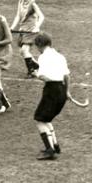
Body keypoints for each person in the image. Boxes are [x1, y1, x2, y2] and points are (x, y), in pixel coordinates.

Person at [33, 32, 69, 160]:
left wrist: (36, 74)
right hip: (62, 89)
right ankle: (55, 144)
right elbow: (67, 76)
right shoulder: (60, 56)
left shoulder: (43, 57)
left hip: (51, 90)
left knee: (39, 119)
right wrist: (67, 91)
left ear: (40, 45)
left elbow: (44, 76)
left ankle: (50, 150)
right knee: (47, 119)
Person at [10, 0, 45, 78]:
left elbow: (41, 16)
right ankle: (36, 65)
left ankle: (31, 71)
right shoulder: (20, 2)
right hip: (23, 30)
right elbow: (18, 16)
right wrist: (12, 27)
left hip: (31, 31)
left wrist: (36, 27)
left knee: (25, 50)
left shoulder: (32, 3)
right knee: (22, 52)